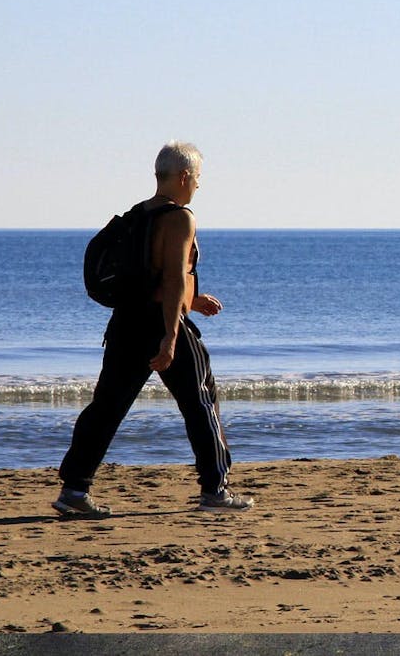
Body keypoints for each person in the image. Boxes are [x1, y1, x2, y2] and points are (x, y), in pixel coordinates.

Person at [53, 141, 253, 516]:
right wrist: (171, 335)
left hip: (126, 323)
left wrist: (192, 301)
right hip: (161, 323)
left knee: (107, 407)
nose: (198, 185)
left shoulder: (136, 216)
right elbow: (175, 274)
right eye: (197, 178)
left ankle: (74, 490)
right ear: (184, 176)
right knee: (200, 402)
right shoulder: (180, 217)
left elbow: (147, 275)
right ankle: (215, 490)